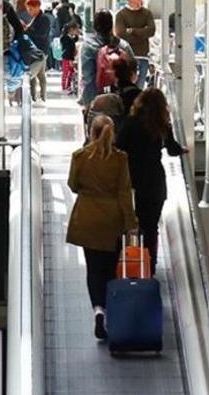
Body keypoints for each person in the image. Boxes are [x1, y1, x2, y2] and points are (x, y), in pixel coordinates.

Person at [66, 115, 138, 340]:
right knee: (109, 270)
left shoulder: (80, 157)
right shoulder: (120, 159)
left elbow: (73, 185)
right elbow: (125, 192)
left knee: (93, 269)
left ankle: (98, 310)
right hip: (111, 220)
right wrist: (131, 224)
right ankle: (109, 310)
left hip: (87, 217)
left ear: (91, 132)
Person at [115, 87, 184, 265]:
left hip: (132, 180)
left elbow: (119, 147)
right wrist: (184, 150)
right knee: (151, 227)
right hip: (155, 181)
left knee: (131, 224)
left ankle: (130, 262)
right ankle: (149, 264)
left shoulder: (130, 123)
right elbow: (173, 149)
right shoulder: (162, 126)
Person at [78, 10, 134, 110]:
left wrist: (86, 100)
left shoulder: (88, 46)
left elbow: (87, 76)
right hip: (121, 98)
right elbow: (133, 71)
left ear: (94, 26)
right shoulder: (123, 45)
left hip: (95, 98)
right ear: (111, 25)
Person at [114, 0, 156, 86]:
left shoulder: (147, 13)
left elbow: (151, 31)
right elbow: (121, 34)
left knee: (140, 88)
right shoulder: (121, 15)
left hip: (143, 57)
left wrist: (132, 30)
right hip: (127, 59)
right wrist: (142, 34)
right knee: (127, 87)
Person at [23, 0, 52, 104]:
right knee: (40, 74)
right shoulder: (36, 18)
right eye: (28, 9)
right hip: (37, 51)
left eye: (31, 9)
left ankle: (38, 97)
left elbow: (41, 35)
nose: (29, 11)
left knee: (36, 74)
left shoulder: (43, 19)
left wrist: (28, 30)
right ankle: (37, 97)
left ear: (38, 7)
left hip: (40, 51)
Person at [60, 21, 81, 94]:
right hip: (67, 58)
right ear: (71, 29)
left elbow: (74, 40)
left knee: (70, 72)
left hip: (70, 57)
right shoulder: (65, 38)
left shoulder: (68, 38)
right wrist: (71, 60)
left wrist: (77, 35)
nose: (77, 31)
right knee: (66, 73)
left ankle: (68, 86)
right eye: (76, 29)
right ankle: (64, 87)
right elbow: (69, 49)